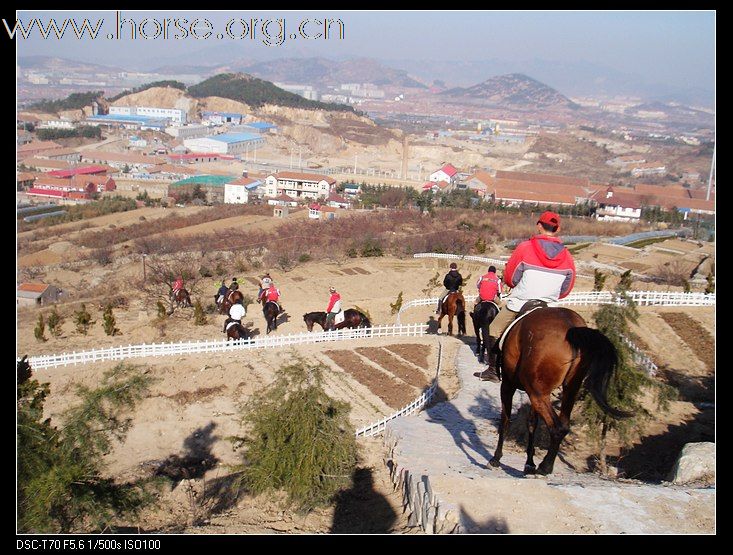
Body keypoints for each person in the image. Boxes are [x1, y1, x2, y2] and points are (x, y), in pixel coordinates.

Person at [480, 211, 576, 379]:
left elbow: (510, 277)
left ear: (539, 225)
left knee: (493, 329)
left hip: (521, 302)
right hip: (550, 306)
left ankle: (493, 370)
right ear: (558, 229)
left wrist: (518, 285)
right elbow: (567, 288)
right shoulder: (567, 255)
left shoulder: (525, 247)